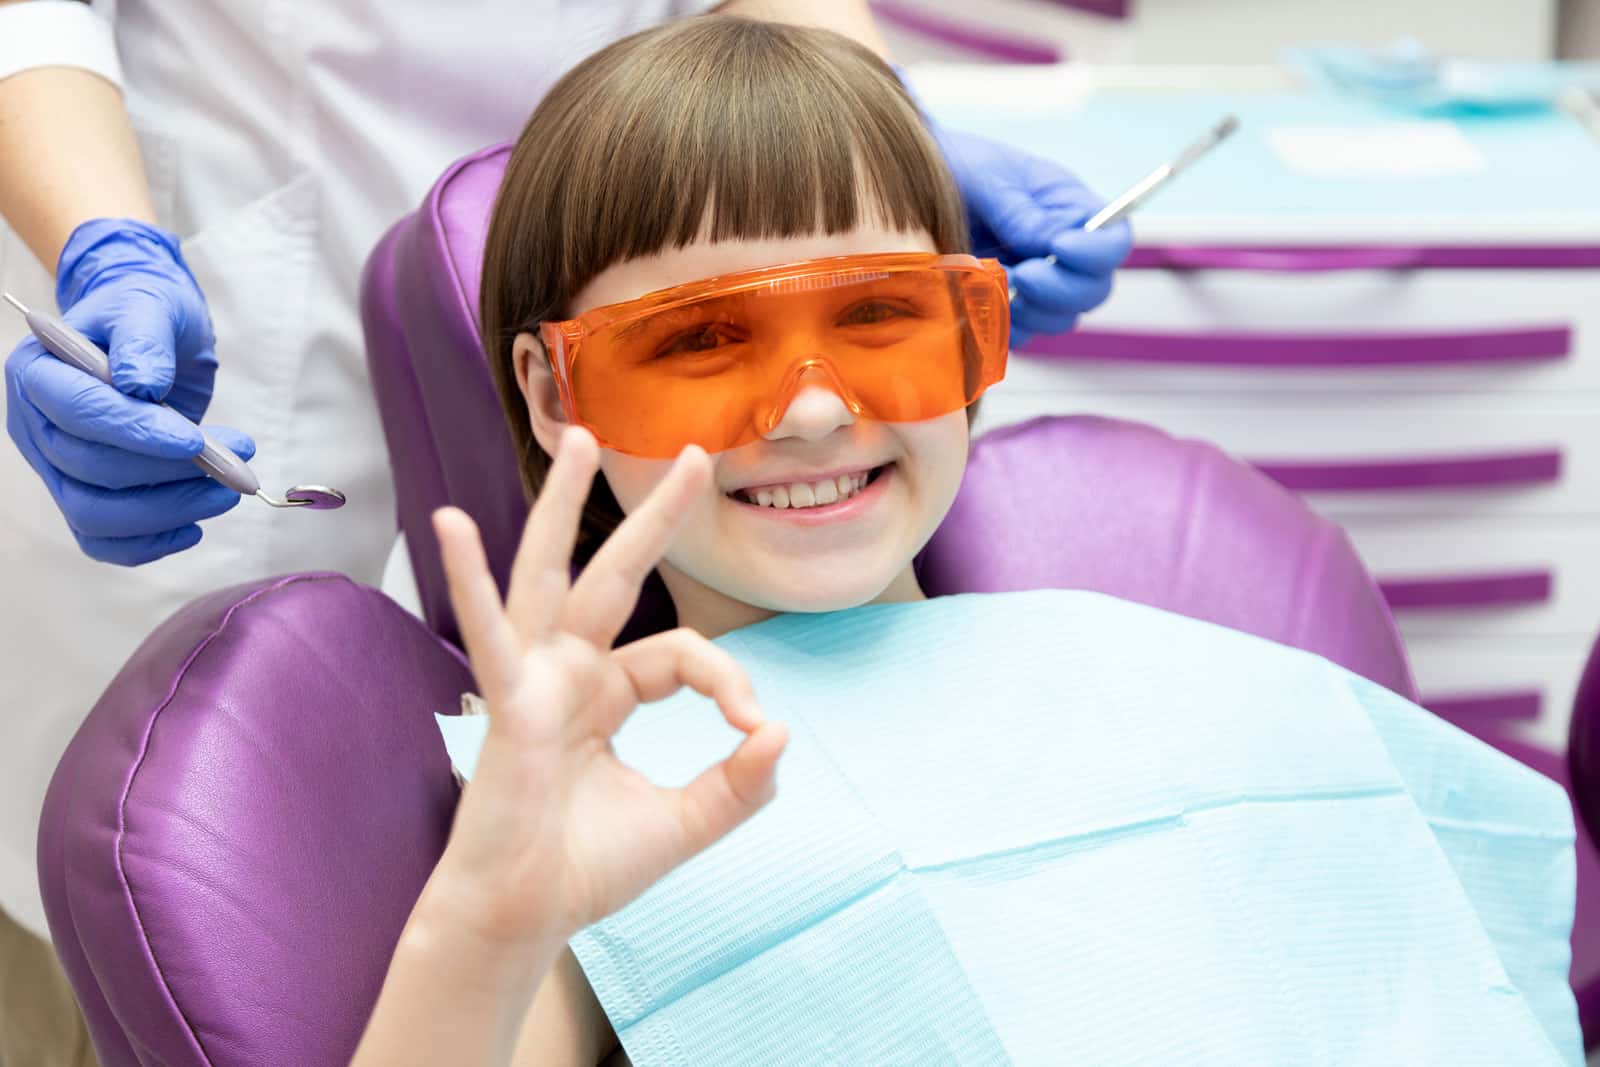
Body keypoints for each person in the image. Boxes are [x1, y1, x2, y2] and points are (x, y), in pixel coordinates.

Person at [0, 3, 1129, 1061]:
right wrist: (492, 922)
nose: (817, 410)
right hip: (237, 299)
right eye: (703, 342)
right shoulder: (594, 819)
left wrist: (861, 127)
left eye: (876, 309)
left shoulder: (1189, 664)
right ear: (549, 388)